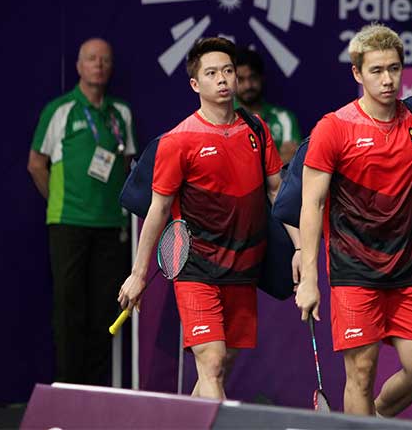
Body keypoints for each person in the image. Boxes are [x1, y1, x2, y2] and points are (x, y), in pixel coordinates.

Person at [117, 37, 300, 399]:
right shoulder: (179, 141)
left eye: (228, 71)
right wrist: (138, 275)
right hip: (196, 266)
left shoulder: (257, 130)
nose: (223, 79)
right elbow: (157, 210)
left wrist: (300, 250)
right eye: (212, 73)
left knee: (221, 366)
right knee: (212, 362)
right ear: (195, 84)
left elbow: (278, 192)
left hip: (244, 267)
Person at [295, 24, 412, 417]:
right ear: (357, 74)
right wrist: (311, 280)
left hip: (409, 268)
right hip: (354, 271)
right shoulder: (333, 129)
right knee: (361, 373)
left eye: (395, 69)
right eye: (377, 71)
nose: (388, 80)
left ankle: (379, 418)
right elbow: (312, 202)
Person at [28, 37, 137, 385]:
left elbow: (127, 164)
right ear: (78, 66)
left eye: (105, 59)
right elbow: (35, 164)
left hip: (111, 226)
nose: (99, 65)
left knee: (105, 309)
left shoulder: (121, 112)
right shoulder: (60, 110)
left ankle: (97, 390)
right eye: (92, 59)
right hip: (68, 224)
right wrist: (59, 201)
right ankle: (68, 388)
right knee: (69, 310)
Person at [234, 47, 302, 164]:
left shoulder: (284, 117)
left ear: (261, 78)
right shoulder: (224, 117)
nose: (248, 85)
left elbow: (291, 164)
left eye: (253, 77)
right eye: (241, 80)